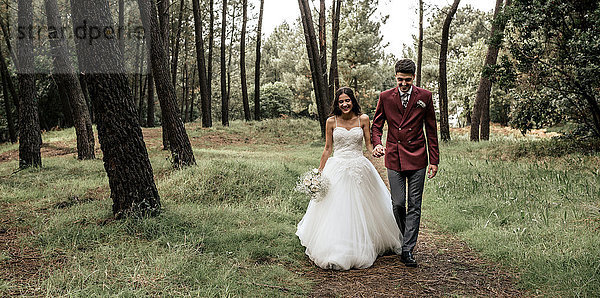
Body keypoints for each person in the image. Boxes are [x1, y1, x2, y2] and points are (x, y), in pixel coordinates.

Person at [296, 87, 401, 270]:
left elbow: (368, 145)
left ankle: (365, 241)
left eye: (347, 100)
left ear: (353, 101)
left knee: (364, 207)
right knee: (338, 207)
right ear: (337, 104)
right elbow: (328, 148)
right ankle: (338, 246)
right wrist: (319, 173)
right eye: (341, 101)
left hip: (359, 166)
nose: (345, 104)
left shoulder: (363, 119)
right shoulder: (331, 122)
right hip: (338, 167)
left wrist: (375, 149)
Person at [371, 58, 439, 267]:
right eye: (400, 80)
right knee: (398, 203)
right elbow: (376, 126)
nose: (403, 84)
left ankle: (407, 249)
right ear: (395, 77)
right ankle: (403, 236)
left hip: (418, 157)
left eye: (407, 80)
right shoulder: (385, 97)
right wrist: (377, 143)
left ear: (414, 78)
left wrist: (434, 160)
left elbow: (431, 130)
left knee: (415, 205)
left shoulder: (425, 97)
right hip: (394, 156)